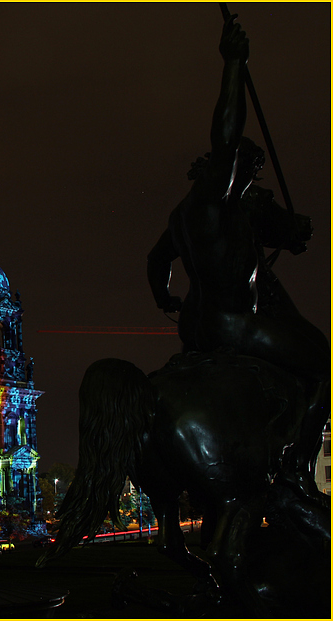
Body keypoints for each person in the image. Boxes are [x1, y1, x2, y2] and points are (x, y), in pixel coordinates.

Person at [145, 15, 328, 494]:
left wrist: (165, 299)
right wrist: (233, 63)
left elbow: (156, 260)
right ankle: (296, 467)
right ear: (229, 173)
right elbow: (226, 132)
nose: (249, 180)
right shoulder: (216, 201)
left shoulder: (181, 215)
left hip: (195, 327)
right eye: (248, 170)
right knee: (327, 364)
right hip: (234, 324)